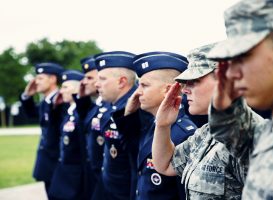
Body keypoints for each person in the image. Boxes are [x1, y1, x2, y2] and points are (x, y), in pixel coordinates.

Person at [207, 0, 273, 199]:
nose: (230, 73)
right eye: (229, 62)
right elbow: (241, 140)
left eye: (242, 56)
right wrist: (225, 108)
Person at [151, 44, 246, 199]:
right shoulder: (208, 131)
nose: (185, 89)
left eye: (194, 81)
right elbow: (165, 165)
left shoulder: (247, 139)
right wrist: (163, 125)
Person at [113, 51, 197, 200]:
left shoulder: (184, 134)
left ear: (168, 90)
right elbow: (132, 156)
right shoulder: (153, 125)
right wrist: (129, 115)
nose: (137, 92)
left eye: (144, 86)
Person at [94, 51, 138, 200]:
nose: (96, 84)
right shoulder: (112, 107)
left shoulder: (134, 111)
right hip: (110, 187)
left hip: (125, 192)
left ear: (121, 82)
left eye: (102, 79)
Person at [19, 62, 64, 198]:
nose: (35, 82)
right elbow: (32, 114)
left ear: (52, 79)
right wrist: (27, 95)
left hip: (58, 162)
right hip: (47, 162)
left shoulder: (61, 101)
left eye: (40, 78)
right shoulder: (46, 101)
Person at [74, 55, 109, 200]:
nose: (83, 82)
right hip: (93, 173)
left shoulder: (110, 105)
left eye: (89, 78)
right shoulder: (97, 105)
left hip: (106, 177)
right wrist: (81, 99)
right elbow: (85, 125)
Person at [49, 70, 86, 200]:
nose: (61, 91)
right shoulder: (68, 112)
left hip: (76, 177)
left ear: (77, 88)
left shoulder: (81, 114)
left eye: (65, 87)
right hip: (64, 171)